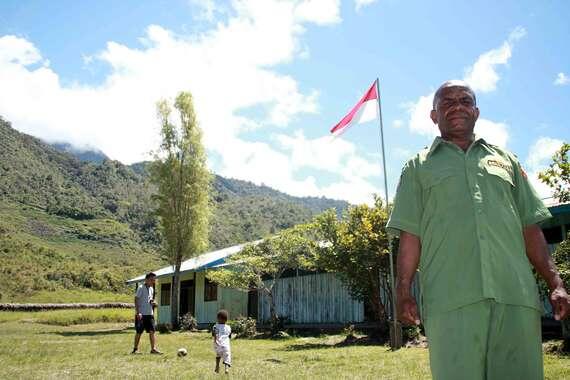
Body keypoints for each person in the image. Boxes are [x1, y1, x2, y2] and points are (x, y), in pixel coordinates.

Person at [387, 80, 570, 380]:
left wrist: (556, 282)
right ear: (434, 116)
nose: (456, 106)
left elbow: (530, 227)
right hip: (450, 299)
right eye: (446, 102)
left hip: (515, 296)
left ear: (476, 111)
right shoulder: (418, 167)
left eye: (464, 100)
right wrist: (403, 289)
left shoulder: (507, 161)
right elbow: (410, 235)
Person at [132, 272, 162, 354]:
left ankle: (153, 349)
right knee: (139, 332)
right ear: (146, 280)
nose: (153, 281)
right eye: (151, 280)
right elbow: (136, 299)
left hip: (150, 314)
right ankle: (135, 349)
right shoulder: (141, 288)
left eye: (154, 280)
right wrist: (138, 313)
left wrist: (153, 303)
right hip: (141, 314)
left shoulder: (152, 289)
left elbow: (149, 300)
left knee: (152, 331)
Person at [212, 309, 232, 374]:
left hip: (217, 344)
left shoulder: (215, 326)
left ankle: (217, 367)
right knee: (226, 356)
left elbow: (214, 334)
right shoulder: (228, 327)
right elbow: (229, 336)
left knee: (218, 355)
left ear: (218, 319)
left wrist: (215, 340)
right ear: (226, 319)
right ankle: (226, 369)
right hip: (226, 345)